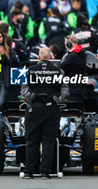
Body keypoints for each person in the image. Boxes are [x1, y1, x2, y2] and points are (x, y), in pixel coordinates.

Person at [21, 47, 69, 179]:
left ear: (39, 57)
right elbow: (65, 90)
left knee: (32, 141)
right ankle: (45, 172)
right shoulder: (59, 71)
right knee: (48, 141)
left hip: (34, 109)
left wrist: (34, 97)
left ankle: (29, 171)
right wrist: (54, 98)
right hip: (51, 109)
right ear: (51, 57)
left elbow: (24, 91)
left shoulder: (30, 70)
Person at [60, 35, 87, 106]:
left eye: (66, 44)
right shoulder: (81, 54)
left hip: (74, 88)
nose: (65, 46)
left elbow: (61, 68)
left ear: (70, 44)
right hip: (79, 86)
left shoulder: (72, 56)